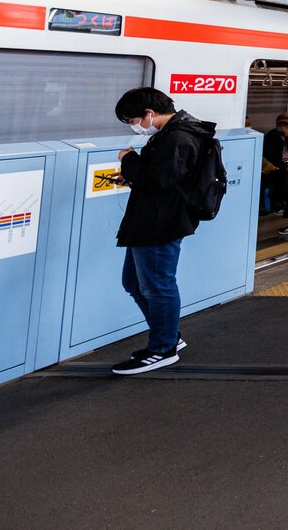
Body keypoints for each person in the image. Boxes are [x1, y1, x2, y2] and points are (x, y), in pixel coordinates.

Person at [110, 87, 214, 375]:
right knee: (134, 283)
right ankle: (168, 336)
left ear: (149, 113)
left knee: (158, 286)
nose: (134, 127)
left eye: (133, 120)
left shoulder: (179, 137)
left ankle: (163, 349)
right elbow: (165, 177)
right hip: (151, 219)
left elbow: (158, 180)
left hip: (160, 223)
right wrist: (132, 176)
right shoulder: (175, 133)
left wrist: (128, 160)